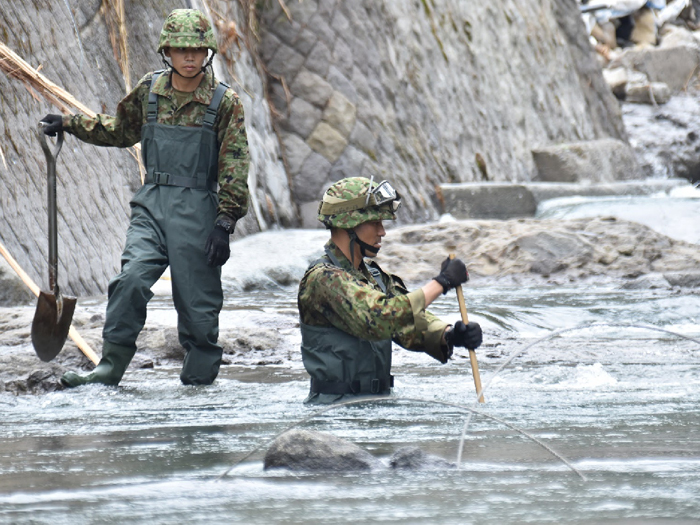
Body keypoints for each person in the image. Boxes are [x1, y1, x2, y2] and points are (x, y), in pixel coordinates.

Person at [40, 9, 250, 387]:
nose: (189, 57)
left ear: (208, 53)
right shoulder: (150, 90)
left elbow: (235, 163)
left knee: (198, 308)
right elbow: (120, 130)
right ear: (166, 52)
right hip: (152, 204)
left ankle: (199, 385)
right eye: (180, 49)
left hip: (200, 210)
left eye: (197, 50)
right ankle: (109, 367)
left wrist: (225, 222)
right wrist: (69, 124)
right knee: (130, 280)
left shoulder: (225, 102)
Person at [297, 177, 483, 404]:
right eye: (375, 222)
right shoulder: (323, 278)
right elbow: (378, 317)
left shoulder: (374, 277)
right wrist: (441, 283)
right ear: (349, 223)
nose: (382, 231)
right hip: (333, 409)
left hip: (377, 403)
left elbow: (405, 322)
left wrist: (449, 335)